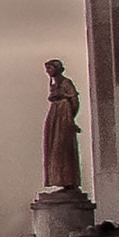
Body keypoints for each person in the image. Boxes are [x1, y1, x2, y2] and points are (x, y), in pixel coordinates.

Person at [39, 58, 84, 195]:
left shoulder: (66, 83)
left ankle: (69, 181)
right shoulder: (53, 84)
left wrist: (69, 118)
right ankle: (60, 179)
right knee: (54, 148)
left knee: (63, 147)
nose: (48, 71)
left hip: (63, 116)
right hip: (55, 115)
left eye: (50, 68)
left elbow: (74, 101)